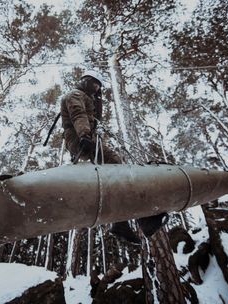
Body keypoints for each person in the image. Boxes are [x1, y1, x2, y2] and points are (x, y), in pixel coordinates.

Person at [60, 69, 166, 244]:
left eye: (98, 87)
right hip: (81, 139)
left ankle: (121, 222)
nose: (96, 89)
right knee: (116, 165)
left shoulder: (87, 97)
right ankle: (142, 219)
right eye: (94, 84)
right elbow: (78, 114)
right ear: (87, 81)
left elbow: (91, 116)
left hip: (86, 138)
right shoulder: (75, 94)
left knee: (114, 175)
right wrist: (85, 135)